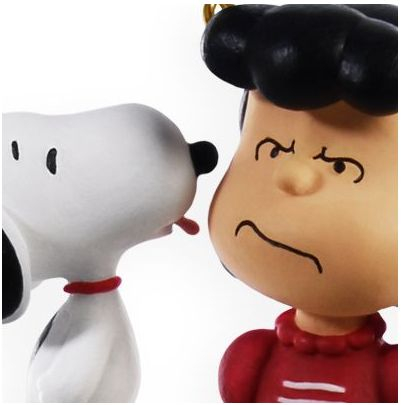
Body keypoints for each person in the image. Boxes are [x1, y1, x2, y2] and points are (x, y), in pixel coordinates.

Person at [202, 4, 397, 402]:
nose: (292, 177)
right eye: (272, 150)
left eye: (341, 166)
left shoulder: (393, 373)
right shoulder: (251, 356)